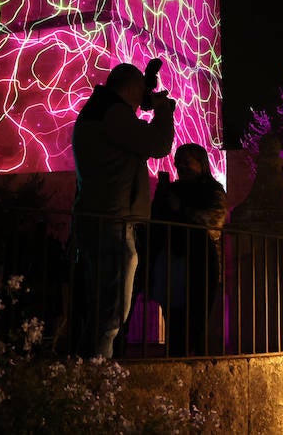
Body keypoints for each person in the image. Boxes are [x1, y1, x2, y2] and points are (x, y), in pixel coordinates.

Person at [71, 61, 175, 359]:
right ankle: (95, 375)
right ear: (130, 88)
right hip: (113, 220)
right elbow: (157, 144)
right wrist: (163, 111)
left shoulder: (97, 111)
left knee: (99, 303)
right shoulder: (113, 113)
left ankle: (83, 370)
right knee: (112, 309)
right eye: (141, 90)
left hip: (97, 216)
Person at [149, 142, 226, 356]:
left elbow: (214, 222)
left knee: (198, 319)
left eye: (187, 162)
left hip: (200, 263)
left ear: (201, 164)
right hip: (172, 261)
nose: (181, 167)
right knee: (174, 318)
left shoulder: (212, 190)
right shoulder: (172, 190)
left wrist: (180, 208)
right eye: (178, 163)